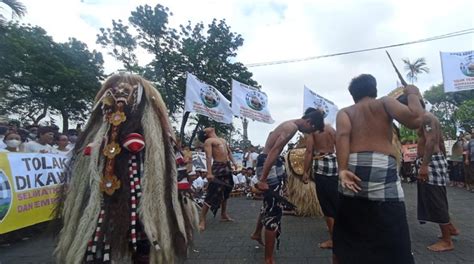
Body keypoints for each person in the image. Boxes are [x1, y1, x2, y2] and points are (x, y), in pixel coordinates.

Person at [55, 73, 194, 263]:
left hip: (144, 200)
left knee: (144, 242)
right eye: (116, 92)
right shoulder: (96, 138)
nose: (121, 96)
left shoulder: (159, 142)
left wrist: (180, 193)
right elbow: (81, 169)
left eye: (128, 92)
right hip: (102, 198)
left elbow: (177, 172)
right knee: (96, 240)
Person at [333, 74, 424, 264]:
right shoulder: (384, 103)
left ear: (353, 95)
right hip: (382, 167)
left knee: (349, 228)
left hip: (351, 168)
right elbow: (416, 119)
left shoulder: (345, 112)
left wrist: (342, 169)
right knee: (391, 228)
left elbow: (342, 136)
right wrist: (413, 94)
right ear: (374, 90)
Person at [251, 107, 325, 264]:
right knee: (274, 209)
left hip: (273, 163)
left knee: (270, 201)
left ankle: (257, 233)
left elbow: (272, 137)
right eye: (311, 129)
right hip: (268, 163)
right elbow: (274, 151)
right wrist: (263, 178)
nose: (308, 134)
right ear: (309, 122)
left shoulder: (289, 123)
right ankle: (268, 259)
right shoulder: (291, 128)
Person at [401, 95, 460, 252]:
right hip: (431, 161)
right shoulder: (427, 118)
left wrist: (425, 165)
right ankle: (451, 228)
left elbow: (432, 141)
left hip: (431, 162)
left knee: (436, 198)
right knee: (435, 197)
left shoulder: (427, 118)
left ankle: (447, 241)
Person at [302, 123, 338, 249]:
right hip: (334, 166)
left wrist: (305, 171)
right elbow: (339, 147)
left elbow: (309, 151)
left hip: (322, 168)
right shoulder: (331, 129)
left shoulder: (313, 132)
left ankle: (334, 240)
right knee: (335, 201)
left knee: (326, 204)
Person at [197, 127, 238, 231]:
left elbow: (229, 153)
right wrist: (209, 173)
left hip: (226, 167)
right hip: (217, 167)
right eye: (205, 128)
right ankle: (202, 219)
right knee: (212, 193)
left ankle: (223, 214)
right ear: (205, 133)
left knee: (226, 191)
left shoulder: (223, 140)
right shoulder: (208, 141)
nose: (208, 126)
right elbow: (208, 156)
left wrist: (234, 163)